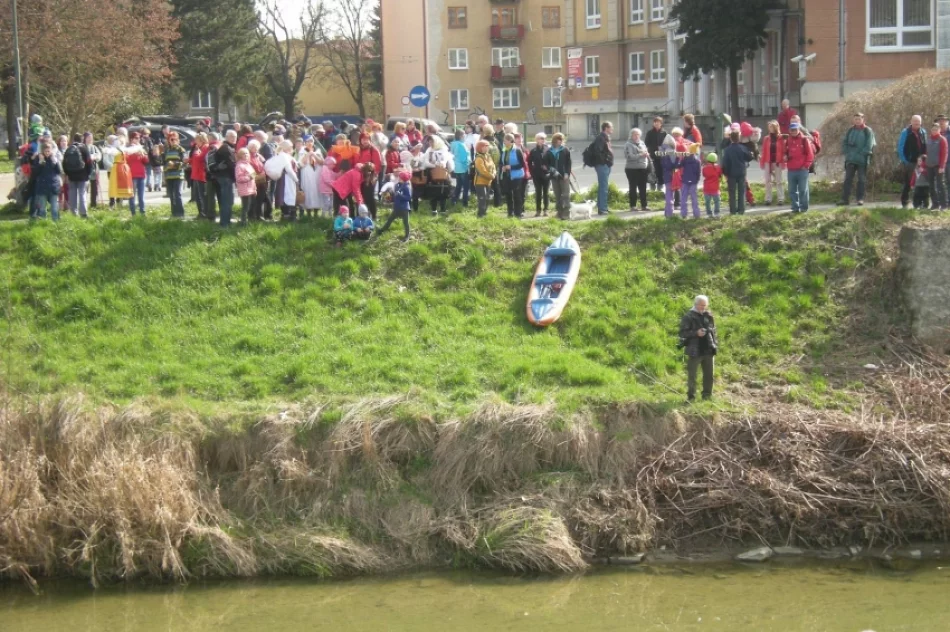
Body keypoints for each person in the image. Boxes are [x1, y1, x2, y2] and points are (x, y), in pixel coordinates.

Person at [679, 295, 718, 402]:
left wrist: (715, 344)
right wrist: (696, 333)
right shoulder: (688, 316)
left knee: (709, 376)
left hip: (708, 350)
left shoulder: (709, 315)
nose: (703, 307)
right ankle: (691, 397)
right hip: (694, 351)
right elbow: (682, 333)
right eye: (701, 305)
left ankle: (707, 396)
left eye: (705, 305)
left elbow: (714, 331)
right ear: (695, 304)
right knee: (692, 376)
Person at [720, 131, 753, 215]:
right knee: (741, 192)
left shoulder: (727, 150)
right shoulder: (742, 147)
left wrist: (725, 173)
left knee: (732, 192)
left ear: (731, 138)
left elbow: (725, 163)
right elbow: (749, 157)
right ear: (739, 138)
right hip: (741, 172)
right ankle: (741, 210)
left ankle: (733, 210)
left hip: (731, 173)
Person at [785, 122, 815, 213]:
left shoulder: (804, 140)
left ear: (799, 130)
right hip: (791, 169)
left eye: (795, 129)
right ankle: (795, 207)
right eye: (792, 130)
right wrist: (785, 157)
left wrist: (806, 166)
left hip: (802, 169)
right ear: (789, 131)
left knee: (803, 189)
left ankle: (804, 208)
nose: (793, 131)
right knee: (792, 190)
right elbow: (785, 152)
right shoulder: (787, 140)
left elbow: (810, 155)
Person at [896, 114, 924, 209]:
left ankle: (918, 203)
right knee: (908, 183)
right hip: (910, 161)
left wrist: (924, 158)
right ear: (911, 122)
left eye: (918, 122)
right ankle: (905, 202)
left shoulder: (923, 132)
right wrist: (905, 160)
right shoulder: (906, 132)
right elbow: (900, 147)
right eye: (915, 121)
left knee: (921, 182)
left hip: (921, 161)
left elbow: (925, 145)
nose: (917, 123)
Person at [31, 142, 63, 221]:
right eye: (46, 151)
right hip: (42, 186)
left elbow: (59, 171)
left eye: (49, 151)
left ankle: (56, 222)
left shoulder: (54, 158)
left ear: (51, 151)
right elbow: (35, 172)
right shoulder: (38, 159)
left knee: (54, 207)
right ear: (42, 151)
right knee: (42, 207)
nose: (47, 153)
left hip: (53, 186)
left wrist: (56, 162)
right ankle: (43, 222)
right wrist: (41, 162)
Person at [544, 133, 573, 220]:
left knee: (565, 194)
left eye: (561, 140)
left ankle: (566, 213)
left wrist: (567, 173)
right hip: (554, 176)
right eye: (558, 140)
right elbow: (546, 164)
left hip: (564, 176)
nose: (560, 141)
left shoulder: (565, 150)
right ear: (554, 141)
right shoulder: (549, 151)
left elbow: (569, 163)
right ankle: (559, 212)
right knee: (557, 194)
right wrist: (551, 170)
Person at [63, 133, 92, 218]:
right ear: (81, 139)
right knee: (82, 193)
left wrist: (67, 173)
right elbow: (89, 162)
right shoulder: (84, 148)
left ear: (73, 139)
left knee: (72, 193)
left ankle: (73, 213)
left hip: (71, 175)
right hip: (82, 175)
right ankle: (83, 213)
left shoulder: (69, 149)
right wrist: (88, 173)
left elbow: (64, 163)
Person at [423, 136, 454, 216]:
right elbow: (426, 162)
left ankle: (443, 209)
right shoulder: (429, 150)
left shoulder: (444, 149)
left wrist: (442, 165)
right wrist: (435, 165)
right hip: (432, 174)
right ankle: (434, 210)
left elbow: (446, 162)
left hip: (443, 175)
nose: (430, 144)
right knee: (433, 192)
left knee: (443, 192)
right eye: (429, 142)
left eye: (432, 142)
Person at [378, 171, 413, 241]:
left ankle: (407, 236)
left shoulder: (406, 187)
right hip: (397, 207)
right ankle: (381, 230)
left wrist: (400, 195)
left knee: (406, 222)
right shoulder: (397, 185)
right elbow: (395, 195)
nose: (398, 178)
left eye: (400, 177)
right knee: (390, 219)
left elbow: (408, 198)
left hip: (404, 208)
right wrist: (390, 198)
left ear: (403, 179)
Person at [271, 139, 300, 221]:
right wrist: (296, 179)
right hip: (287, 178)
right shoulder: (284, 156)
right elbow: (289, 170)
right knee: (289, 195)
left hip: (285, 178)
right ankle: (290, 216)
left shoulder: (284, 155)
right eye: (290, 147)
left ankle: (286, 215)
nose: (291, 148)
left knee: (285, 195)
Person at [589, 121, 614, 215]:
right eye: (611, 127)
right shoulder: (601, 138)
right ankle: (602, 209)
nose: (612, 129)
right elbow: (597, 152)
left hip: (605, 165)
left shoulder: (605, 137)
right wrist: (605, 162)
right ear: (606, 128)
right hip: (602, 165)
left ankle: (602, 208)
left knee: (603, 186)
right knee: (603, 187)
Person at [214, 130, 238, 225]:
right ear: (226, 137)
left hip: (225, 177)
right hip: (225, 177)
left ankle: (226, 221)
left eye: (235, 136)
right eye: (232, 136)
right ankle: (224, 223)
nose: (234, 138)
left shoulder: (228, 147)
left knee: (227, 200)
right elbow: (231, 164)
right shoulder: (226, 148)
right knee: (227, 201)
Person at [500, 133, 526, 218]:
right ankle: (510, 212)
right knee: (508, 194)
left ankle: (518, 213)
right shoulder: (504, 150)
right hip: (507, 175)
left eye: (505, 140)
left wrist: (511, 167)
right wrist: (503, 167)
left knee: (517, 194)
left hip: (517, 175)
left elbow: (522, 164)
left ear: (510, 141)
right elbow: (502, 162)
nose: (504, 142)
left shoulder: (517, 150)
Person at [624, 127, 650, 212]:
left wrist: (646, 154)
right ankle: (633, 206)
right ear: (631, 135)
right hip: (632, 169)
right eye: (634, 134)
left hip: (643, 168)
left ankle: (644, 205)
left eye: (638, 134)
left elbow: (645, 152)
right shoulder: (628, 144)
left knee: (643, 188)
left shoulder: (642, 143)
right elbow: (630, 156)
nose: (636, 136)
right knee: (633, 188)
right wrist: (641, 155)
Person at [759, 120, 785, 206]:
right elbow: (764, 150)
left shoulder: (781, 138)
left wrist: (783, 160)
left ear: (776, 128)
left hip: (777, 161)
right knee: (767, 181)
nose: (771, 129)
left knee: (778, 181)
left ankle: (780, 198)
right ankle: (768, 198)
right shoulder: (766, 138)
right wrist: (762, 162)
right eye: (769, 127)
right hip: (768, 161)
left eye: (772, 127)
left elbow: (783, 150)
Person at [925, 120, 948, 211]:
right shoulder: (929, 139)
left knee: (940, 185)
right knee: (931, 185)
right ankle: (935, 204)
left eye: (936, 129)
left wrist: (942, 166)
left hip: (938, 166)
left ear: (939, 130)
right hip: (929, 165)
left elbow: (944, 153)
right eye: (933, 129)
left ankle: (944, 205)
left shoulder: (942, 139)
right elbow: (927, 152)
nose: (934, 131)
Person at [126, 132, 150, 216]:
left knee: (141, 195)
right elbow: (127, 160)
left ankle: (142, 212)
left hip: (141, 174)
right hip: (132, 175)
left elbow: (146, 161)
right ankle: (133, 213)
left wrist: (143, 154)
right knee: (132, 195)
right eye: (136, 138)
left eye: (139, 138)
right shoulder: (128, 149)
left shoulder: (141, 148)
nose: (138, 140)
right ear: (131, 139)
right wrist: (134, 153)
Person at [164, 131, 186, 218]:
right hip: (169, 176)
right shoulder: (167, 150)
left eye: (175, 139)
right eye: (171, 139)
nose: (173, 141)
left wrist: (174, 165)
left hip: (178, 175)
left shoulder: (181, 150)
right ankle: (174, 213)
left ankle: (180, 213)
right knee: (171, 195)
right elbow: (164, 162)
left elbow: (184, 163)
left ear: (178, 140)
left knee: (177, 194)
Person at [473, 139, 497, 218]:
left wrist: (493, 173)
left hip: (488, 182)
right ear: (480, 147)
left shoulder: (488, 156)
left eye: (487, 146)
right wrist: (492, 176)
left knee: (487, 198)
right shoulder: (478, 158)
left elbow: (493, 166)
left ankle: (484, 213)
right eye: (485, 146)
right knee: (482, 199)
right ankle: (480, 215)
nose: (487, 148)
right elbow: (482, 171)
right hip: (480, 182)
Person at [107, 136, 133, 209]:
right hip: (115, 168)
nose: (121, 142)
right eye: (119, 141)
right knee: (114, 185)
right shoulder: (113, 149)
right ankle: (112, 204)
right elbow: (107, 157)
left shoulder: (123, 149)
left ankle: (119, 203)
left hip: (123, 169)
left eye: (122, 141)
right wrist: (112, 166)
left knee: (122, 185)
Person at [528, 132, 550, 216]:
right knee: (538, 192)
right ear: (537, 140)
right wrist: (532, 172)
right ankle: (538, 210)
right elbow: (529, 162)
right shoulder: (533, 151)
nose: (543, 140)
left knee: (546, 192)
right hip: (536, 175)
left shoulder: (548, 149)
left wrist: (547, 167)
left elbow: (552, 161)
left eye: (544, 138)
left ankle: (546, 210)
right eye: (541, 138)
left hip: (546, 174)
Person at [660, 131, 681, 218]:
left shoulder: (664, 154)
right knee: (671, 195)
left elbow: (665, 165)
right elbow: (677, 165)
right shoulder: (675, 153)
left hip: (667, 176)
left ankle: (667, 213)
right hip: (674, 176)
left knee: (669, 194)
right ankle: (669, 213)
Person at [234, 147, 257, 225]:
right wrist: (249, 177)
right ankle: (243, 222)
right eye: (244, 153)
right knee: (245, 207)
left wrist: (255, 189)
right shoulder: (239, 165)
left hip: (251, 189)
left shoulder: (248, 164)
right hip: (245, 189)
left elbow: (254, 175)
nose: (246, 155)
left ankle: (249, 221)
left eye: (247, 153)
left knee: (250, 206)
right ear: (240, 155)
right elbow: (239, 178)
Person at [189, 133, 209, 220]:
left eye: (196, 140)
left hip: (201, 175)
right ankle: (200, 213)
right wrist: (189, 160)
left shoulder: (205, 147)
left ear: (201, 140)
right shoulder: (200, 148)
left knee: (202, 195)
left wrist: (196, 153)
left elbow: (199, 159)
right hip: (196, 174)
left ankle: (204, 213)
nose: (195, 142)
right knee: (197, 195)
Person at [298, 149, 322, 218]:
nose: (310, 143)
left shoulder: (318, 152)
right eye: (308, 141)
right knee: (308, 192)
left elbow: (321, 162)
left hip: (316, 175)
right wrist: (308, 154)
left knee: (316, 193)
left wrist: (314, 154)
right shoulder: (302, 152)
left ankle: (316, 212)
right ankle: (308, 212)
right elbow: (301, 163)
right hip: (307, 176)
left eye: (311, 141)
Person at [680, 143, 701, 219]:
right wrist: (697, 180)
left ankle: (683, 214)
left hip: (685, 180)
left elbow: (679, 166)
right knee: (694, 198)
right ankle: (696, 214)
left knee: (683, 198)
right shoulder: (697, 161)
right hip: (693, 181)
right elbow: (698, 173)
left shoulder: (685, 159)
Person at [451, 130, 472, 207]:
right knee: (466, 186)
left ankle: (454, 199)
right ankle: (465, 202)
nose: (465, 137)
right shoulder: (461, 145)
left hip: (456, 168)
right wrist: (469, 163)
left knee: (458, 185)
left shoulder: (453, 144)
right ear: (460, 136)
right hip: (463, 168)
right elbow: (464, 158)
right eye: (464, 135)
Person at [645, 116, 667, 192]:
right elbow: (646, 144)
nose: (657, 124)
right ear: (653, 123)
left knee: (660, 171)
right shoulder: (650, 133)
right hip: (652, 156)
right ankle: (652, 188)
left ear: (661, 124)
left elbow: (667, 144)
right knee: (652, 172)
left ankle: (660, 189)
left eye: (658, 123)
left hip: (661, 156)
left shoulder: (664, 133)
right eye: (655, 122)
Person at [83, 133, 102, 208]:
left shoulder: (94, 147)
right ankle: (84, 204)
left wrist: (94, 157)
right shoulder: (83, 147)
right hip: (85, 171)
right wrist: (91, 157)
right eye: (88, 137)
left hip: (94, 170)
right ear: (85, 138)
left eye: (91, 138)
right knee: (85, 188)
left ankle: (93, 204)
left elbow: (99, 156)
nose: (90, 139)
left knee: (94, 188)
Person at [702, 153, 722, 218]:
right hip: (715, 188)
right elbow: (720, 175)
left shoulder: (704, 168)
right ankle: (717, 213)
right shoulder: (718, 168)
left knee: (707, 202)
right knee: (717, 201)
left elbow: (704, 175)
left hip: (707, 188)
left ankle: (709, 213)